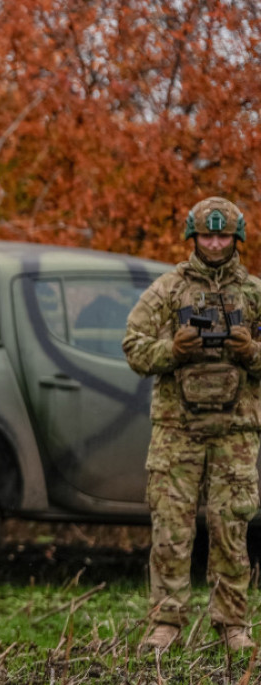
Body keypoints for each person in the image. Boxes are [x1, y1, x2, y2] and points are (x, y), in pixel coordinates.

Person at [123, 196, 261, 654]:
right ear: (193, 237)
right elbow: (132, 345)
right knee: (171, 527)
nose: (216, 243)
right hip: (176, 430)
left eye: (224, 235)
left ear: (236, 238)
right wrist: (172, 351)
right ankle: (166, 622)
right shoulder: (167, 290)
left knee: (231, 527)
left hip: (236, 433)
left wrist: (250, 353)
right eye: (207, 234)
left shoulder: (254, 294)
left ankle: (232, 624)